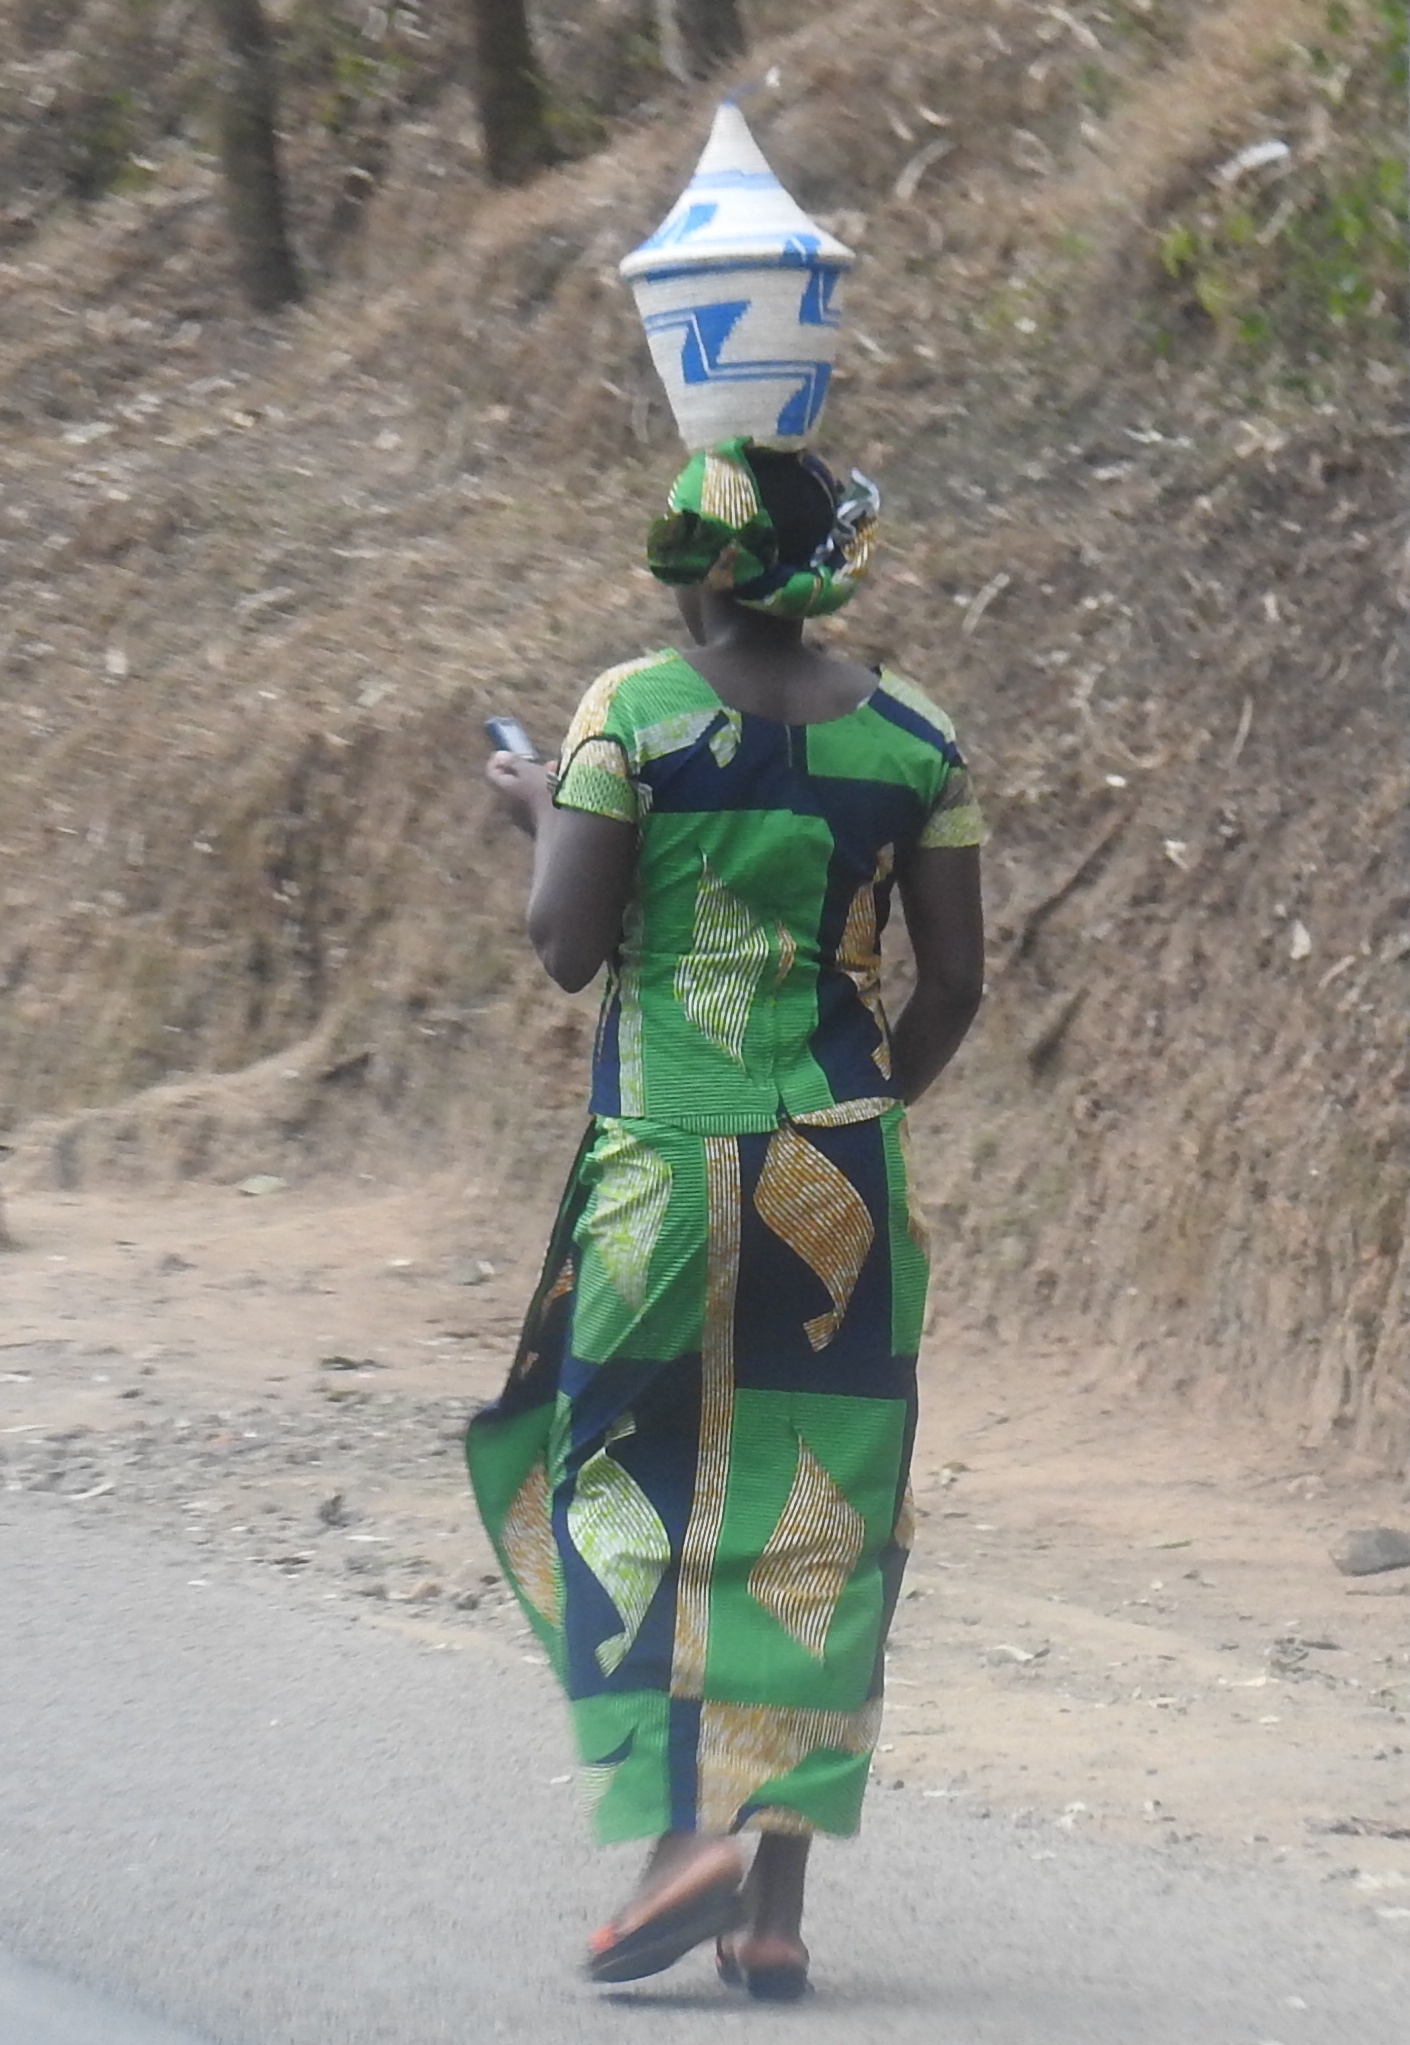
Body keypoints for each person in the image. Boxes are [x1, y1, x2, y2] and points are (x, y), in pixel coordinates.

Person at [468, 437, 985, 1999]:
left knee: (615, 1485)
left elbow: (567, 942)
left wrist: (543, 808)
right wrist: (855, 1110)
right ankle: (770, 1912)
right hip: (842, 1174)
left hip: (661, 1170)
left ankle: (684, 1830)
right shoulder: (916, 737)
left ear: (693, 569)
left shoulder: (629, 716)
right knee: (816, 1508)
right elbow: (952, 983)